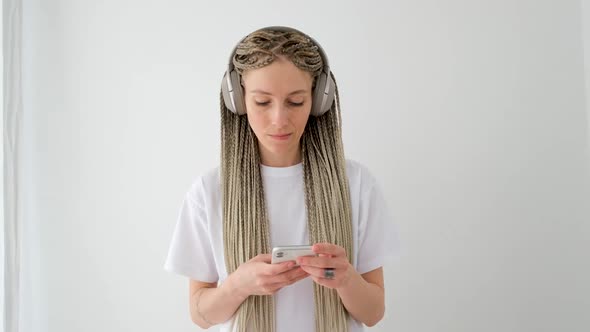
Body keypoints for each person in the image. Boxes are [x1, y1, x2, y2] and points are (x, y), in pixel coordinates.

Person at [164, 26, 400, 332]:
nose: (279, 119)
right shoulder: (209, 192)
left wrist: (345, 279)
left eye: (296, 102)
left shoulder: (356, 185)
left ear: (318, 100)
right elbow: (200, 315)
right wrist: (239, 285)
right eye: (262, 103)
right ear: (238, 100)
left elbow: (373, 312)